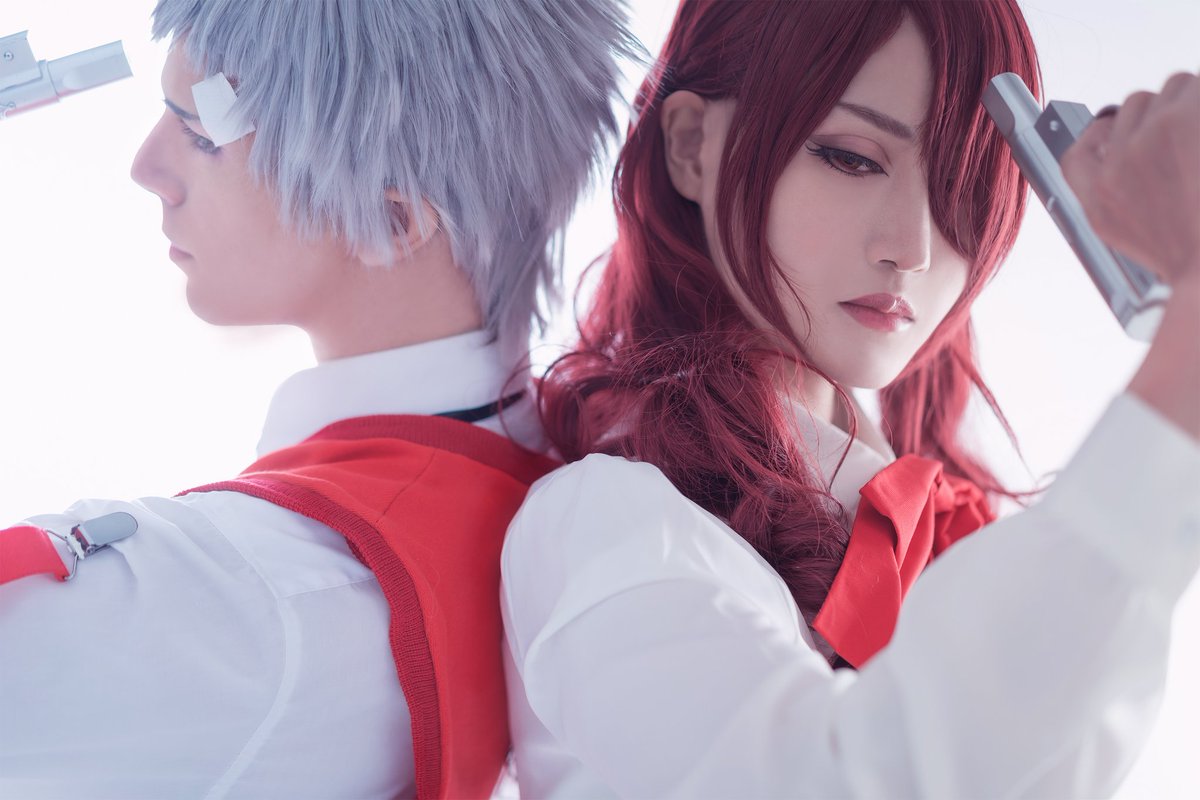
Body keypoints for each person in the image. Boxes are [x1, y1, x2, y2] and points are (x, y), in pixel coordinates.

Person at [499, 0, 1199, 796]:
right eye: (852, 158)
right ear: (692, 145)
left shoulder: (952, 536)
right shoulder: (602, 525)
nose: (913, 246)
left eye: (964, 184)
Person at [0, 1, 634, 797]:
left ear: (388, 221)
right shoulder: (552, 470)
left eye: (202, 138)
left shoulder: (235, 598)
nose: (146, 167)